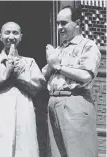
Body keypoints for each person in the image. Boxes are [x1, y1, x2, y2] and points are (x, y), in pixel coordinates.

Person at [0, 21, 46, 157]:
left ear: (21, 37)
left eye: (15, 33)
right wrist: (5, 70)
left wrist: (19, 73)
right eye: (7, 32)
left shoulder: (29, 61)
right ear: (0, 36)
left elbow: (38, 85)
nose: (11, 37)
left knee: (24, 148)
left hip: (23, 109)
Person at [42, 6, 101, 157]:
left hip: (74, 100)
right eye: (58, 24)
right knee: (56, 153)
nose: (60, 27)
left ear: (77, 23)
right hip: (54, 101)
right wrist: (51, 63)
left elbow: (86, 75)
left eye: (64, 23)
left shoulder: (88, 45)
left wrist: (58, 66)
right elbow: (43, 76)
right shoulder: (59, 49)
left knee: (78, 152)